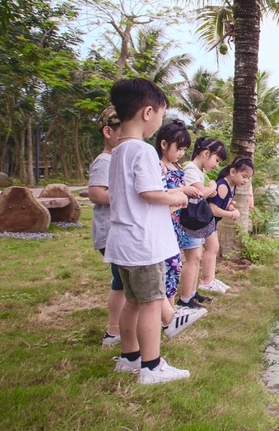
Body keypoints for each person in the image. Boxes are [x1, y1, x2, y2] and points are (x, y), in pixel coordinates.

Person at [105, 78, 191, 385]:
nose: (159, 123)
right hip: (144, 243)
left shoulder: (118, 150)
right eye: (161, 115)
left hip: (123, 242)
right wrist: (177, 197)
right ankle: (152, 366)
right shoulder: (142, 151)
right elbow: (149, 193)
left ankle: (130, 358)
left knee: (133, 302)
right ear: (147, 112)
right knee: (153, 304)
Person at [154, 119, 207, 338]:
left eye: (184, 149)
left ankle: (170, 310)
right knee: (168, 266)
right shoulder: (158, 166)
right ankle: (167, 315)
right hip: (163, 221)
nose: (181, 154)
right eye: (179, 148)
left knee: (173, 267)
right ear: (164, 144)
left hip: (176, 223)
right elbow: (161, 193)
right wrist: (183, 191)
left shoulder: (175, 166)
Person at [87, 106, 124, 347]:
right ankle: (113, 330)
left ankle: (119, 328)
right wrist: (128, 194)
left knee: (121, 282)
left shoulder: (118, 159)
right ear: (108, 131)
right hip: (110, 233)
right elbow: (96, 194)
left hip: (118, 232)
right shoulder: (104, 161)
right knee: (121, 281)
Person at [176, 137, 227, 309]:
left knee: (196, 257)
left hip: (195, 220)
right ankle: (184, 299)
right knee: (193, 258)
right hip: (191, 221)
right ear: (206, 153)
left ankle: (191, 293)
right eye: (216, 160)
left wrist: (208, 190)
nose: (216, 165)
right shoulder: (191, 169)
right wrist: (212, 187)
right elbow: (200, 193)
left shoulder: (197, 170)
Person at [201, 157, 255, 293]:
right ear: (232, 172)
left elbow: (224, 203)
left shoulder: (232, 186)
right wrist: (231, 214)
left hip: (211, 221)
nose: (246, 180)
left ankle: (210, 279)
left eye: (248, 178)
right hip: (205, 220)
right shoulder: (223, 186)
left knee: (213, 248)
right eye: (244, 176)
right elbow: (213, 209)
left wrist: (231, 208)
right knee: (212, 248)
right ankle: (207, 281)